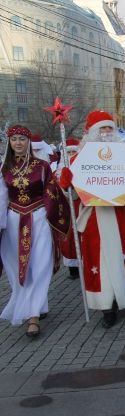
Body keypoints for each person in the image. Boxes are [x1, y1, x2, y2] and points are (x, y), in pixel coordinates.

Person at [59, 110, 125, 328]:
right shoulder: (78, 159)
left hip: (120, 216)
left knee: (121, 257)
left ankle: (123, 296)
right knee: (99, 261)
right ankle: (107, 305)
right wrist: (67, 183)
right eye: (101, 128)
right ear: (91, 132)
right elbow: (74, 195)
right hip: (94, 218)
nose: (106, 133)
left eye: (109, 128)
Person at [0, 125, 69, 336]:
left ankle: (33, 317)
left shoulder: (41, 166)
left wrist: (58, 192)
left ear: (28, 141)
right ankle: (31, 305)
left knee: (40, 265)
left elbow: (52, 191)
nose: (18, 143)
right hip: (13, 222)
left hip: (38, 219)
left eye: (22, 138)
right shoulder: (4, 169)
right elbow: (2, 198)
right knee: (17, 268)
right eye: (14, 139)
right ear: (9, 143)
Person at [57, 137, 81, 279]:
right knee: (68, 238)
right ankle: (72, 267)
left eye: (74, 152)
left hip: (81, 208)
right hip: (66, 209)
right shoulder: (57, 172)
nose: (71, 155)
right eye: (69, 152)